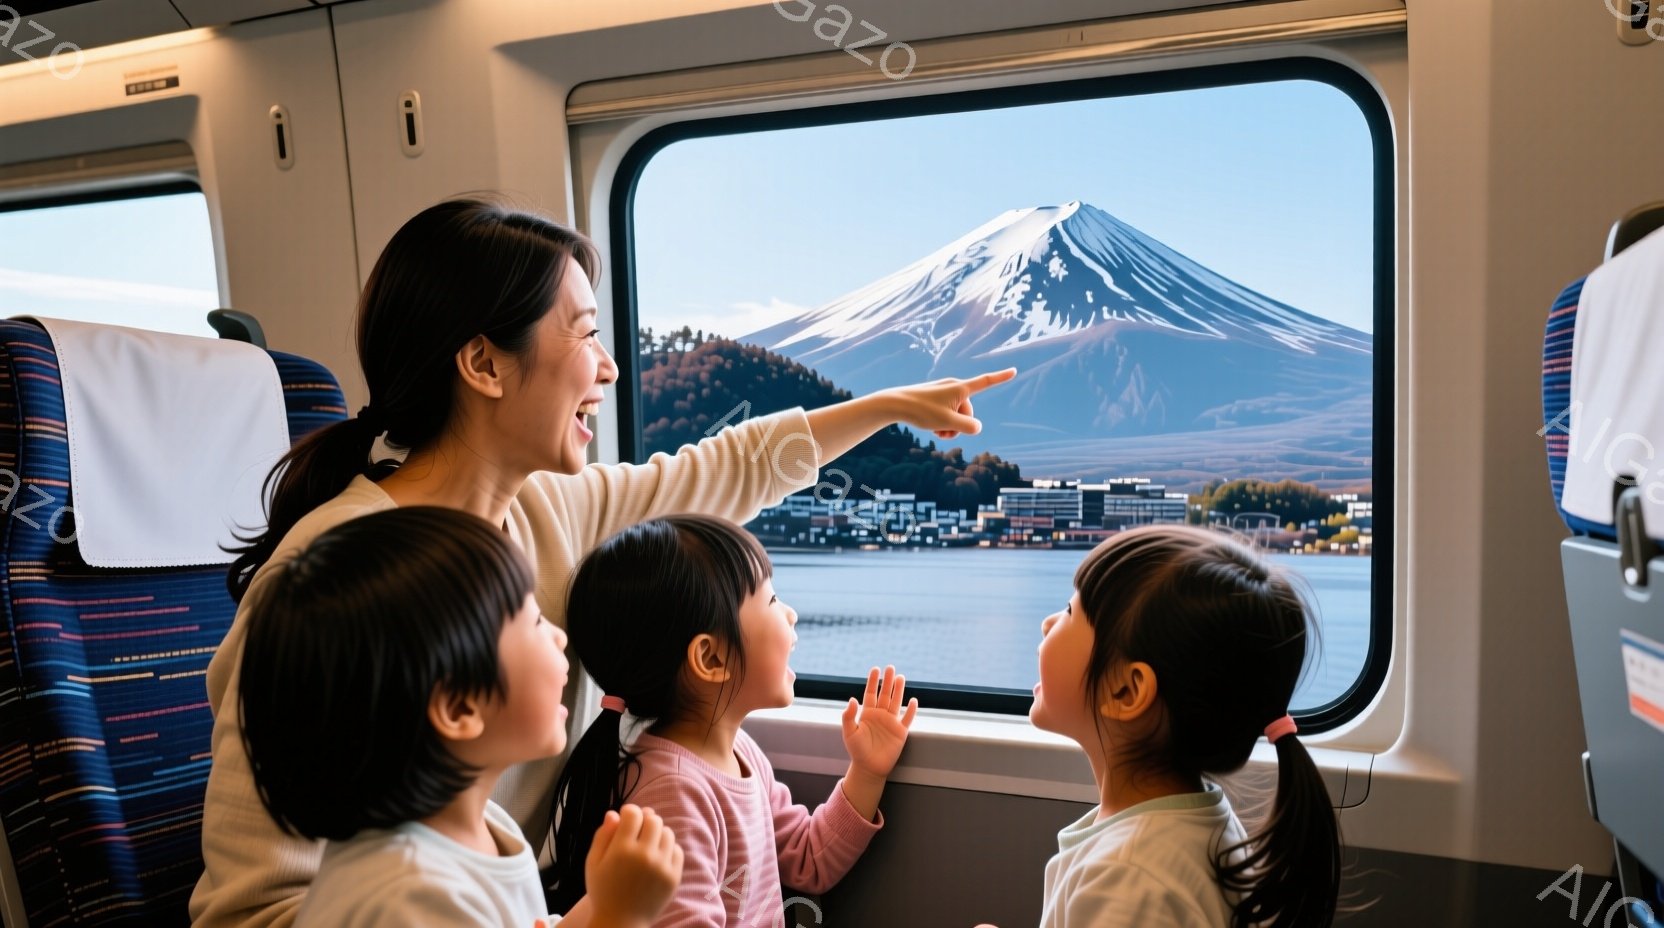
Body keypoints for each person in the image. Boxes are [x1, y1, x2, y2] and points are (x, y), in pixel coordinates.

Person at [189, 193, 1015, 928]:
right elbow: (254, 905)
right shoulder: (341, 576)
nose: (611, 368)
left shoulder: (545, 507)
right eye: (585, 334)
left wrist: (886, 408)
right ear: (483, 364)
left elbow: (727, 470)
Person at [238, 507, 683, 928]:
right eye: (533, 622)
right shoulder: (412, 897)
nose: (559, 636)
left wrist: (606, 900)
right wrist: (620, 916)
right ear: (459, 708)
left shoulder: (484, 826)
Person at [544, 515, 917, 925]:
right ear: (712, 658)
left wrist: (866, 771)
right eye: (772, 600)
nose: (790, 614)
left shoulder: (740, 751)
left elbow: (810, 860)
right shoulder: (673, 796)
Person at [1021, 525, 1341, 928]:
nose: (1048, 623)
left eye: (1070, 612)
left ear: (1126, 691)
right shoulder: (1192, 824)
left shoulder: (1127, 879)